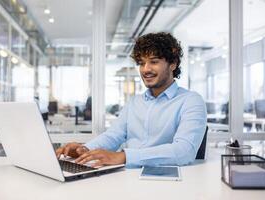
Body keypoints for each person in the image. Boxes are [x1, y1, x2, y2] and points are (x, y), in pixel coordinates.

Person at [56, 32, 207, 168]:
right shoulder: (135, 102)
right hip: (126, 176)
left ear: (172, 64)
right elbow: (114, 135)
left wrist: (124, 156)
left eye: (154, 61)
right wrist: (85, 150)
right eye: (141, 63)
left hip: (166, 180)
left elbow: (184, 151)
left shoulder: (191, 101)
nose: (145, 69)